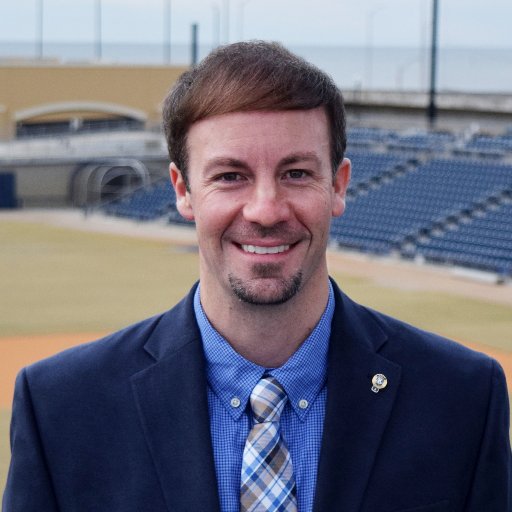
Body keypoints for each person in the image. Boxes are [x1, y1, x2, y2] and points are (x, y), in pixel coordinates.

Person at [3, 41, 511, 512]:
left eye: (296, 173)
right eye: (230, 176)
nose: (266, 210)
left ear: (338, 185)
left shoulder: (463, 399)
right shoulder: (61, 409)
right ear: (183, 190)